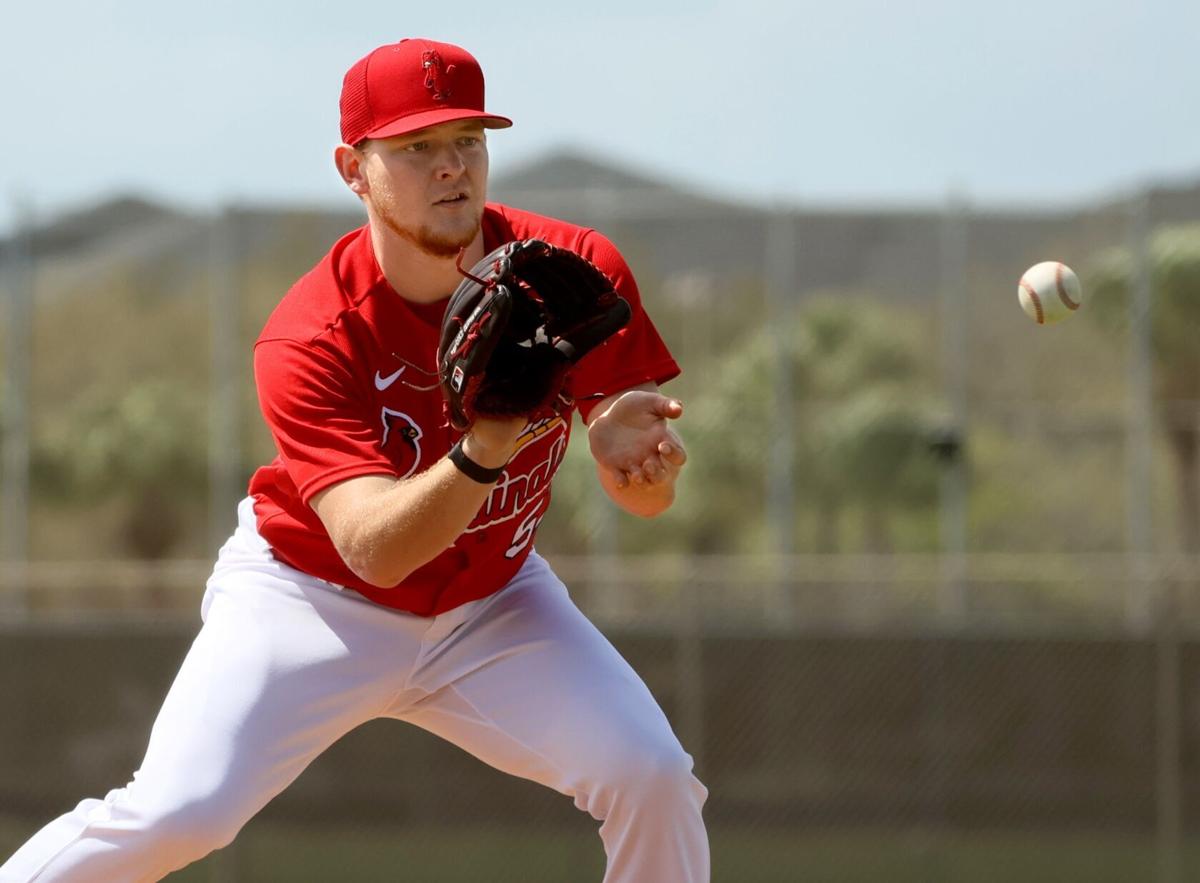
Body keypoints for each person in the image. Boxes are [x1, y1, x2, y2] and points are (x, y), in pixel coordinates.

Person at [0, 37, 709, 883]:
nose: (452, 168)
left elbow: (646, 500)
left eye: (468, 142)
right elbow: (378, 552)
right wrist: (490, 440)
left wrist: (638, 466)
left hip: (494, 601)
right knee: (177, 815)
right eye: (416, 149)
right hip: (313, 599)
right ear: (354, 169)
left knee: (655, 778)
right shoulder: (311, 336)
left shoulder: (567, 271)